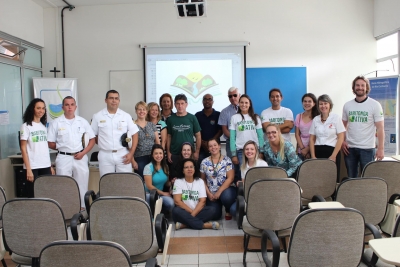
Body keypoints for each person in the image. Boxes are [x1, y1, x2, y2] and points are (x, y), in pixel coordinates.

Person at [48, 96, 95, 209]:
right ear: (62, 107)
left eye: (72, 104)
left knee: (82, 184)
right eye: (67, 105)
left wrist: (83, 153)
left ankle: (83, 208)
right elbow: (50, 142)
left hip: (80, 157)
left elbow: (92, 140)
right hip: (63, 157)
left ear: (75, 106)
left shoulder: (82, 121)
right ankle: (66, 209)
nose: (70, 107)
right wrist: (62, 147)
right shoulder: (56, 123)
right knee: (64, 185)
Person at [342, 76, 384, 177]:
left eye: (362, 85)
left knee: (367, 178)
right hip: (350, 148)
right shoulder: (347, 105)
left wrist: (381, 149)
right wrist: (343, 141)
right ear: (354, 87)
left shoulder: (375, 105)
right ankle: (353, 193)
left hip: (368, 148)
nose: (360, 87)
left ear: (366, 88)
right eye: (357, 85)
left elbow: (380, 128)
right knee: (351, 177)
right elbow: (343, 126)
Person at [91, 90, 139, 178]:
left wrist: (131, 153)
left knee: (125, 182)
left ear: (119, 101)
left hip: (123, 154)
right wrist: (104, 143)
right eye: (111, 98)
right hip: (105, 155)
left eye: (116, 98)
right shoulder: (97, 116)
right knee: (107, 183)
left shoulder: (125, 116)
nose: (114, 101)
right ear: (105, 100)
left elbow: (135, 134)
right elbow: (93, 136)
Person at [20, 98, 54, 198]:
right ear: (32, 109)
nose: (41, 111)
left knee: (45, 193)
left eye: (43, 108)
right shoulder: (26, 126)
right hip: (33, 166)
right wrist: (28, 169)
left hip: (45, 165)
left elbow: (44, 147)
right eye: (38, 108)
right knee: (32, 194)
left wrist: (50, 165)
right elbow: (23, 148)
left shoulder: (43, 127)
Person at [172, 158, 219, 230]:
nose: (189, 169)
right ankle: (204, 225)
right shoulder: (178, 181)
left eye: (191, 167)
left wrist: (192, 214)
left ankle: (184, 225)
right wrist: (192, 213)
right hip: (184, 212)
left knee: (212, 210)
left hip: (198, 211)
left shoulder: (200, 181)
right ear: (183, 170)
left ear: (194, 169)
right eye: (186, 167)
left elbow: (202, 201)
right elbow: (177, 201)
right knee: (176, 211)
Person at [309, 94, 345, 180]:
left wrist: (334, 156)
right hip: (318, 151)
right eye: (321, 104)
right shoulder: (315, 119)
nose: (323, 106)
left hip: (332, 152)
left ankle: (333, 194)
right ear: (318, 106)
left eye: (325, 103)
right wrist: (313, 156)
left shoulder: (336, 118)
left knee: (331, 178)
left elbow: (341, 137)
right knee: (318, 178)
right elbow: (312, 139)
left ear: (330, 105)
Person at [200, 138, 236, 220]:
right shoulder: (204, 162)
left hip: (225, 190)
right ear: (208, 149)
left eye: (215, 145)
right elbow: (202, 180)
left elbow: (231, 178)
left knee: (226, 197)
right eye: (210, 146)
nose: (213, 148)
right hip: (211, 194)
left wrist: (219, 192)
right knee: (215, 214)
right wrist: (208, 194)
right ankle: (218, 206)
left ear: (219, 146)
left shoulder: (227, 160)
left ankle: (228, 209)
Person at [229, 94, 264, 167]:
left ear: (250, 104)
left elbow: (260, 136)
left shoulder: (256, 117)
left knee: (255, 172)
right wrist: (233, 154)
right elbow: (232, 138)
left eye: (246, 103)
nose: (244, 105)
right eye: (241, 102)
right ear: (239, 104)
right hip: (241, 151)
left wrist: (261, 151)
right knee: (243, 174)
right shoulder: (234, 118)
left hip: (255, 150)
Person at [166, 94, 201, 164]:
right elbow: (169, 137)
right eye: (178, 104)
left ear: (186, 104)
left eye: (182, 103)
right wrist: (168, 152)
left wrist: (197, 151)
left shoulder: (192, 118)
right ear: (175, 105)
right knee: (175, 174)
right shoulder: (170, 119)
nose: (180, 106)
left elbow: (198, 135)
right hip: (175, 153)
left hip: (189, 153)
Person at [143, 144, 174, 214]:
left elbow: (165, 183)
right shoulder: (148, 167)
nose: (158, 156)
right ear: (152, 155)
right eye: (156, 153)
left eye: (160, 153)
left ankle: (161, 214)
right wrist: (163, 193)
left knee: (171, 204)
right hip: (149, 194)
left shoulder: (165, 167)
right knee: (150, 200)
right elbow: (149, 186)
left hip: (160, 195)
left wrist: (172, 182)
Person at [218, 87, 240, 183]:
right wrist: (236, 139)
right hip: (230, 143)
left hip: (246, 144)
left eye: (235, 95)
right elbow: (225, 130)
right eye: (230, 96)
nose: (233, 98)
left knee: (244, 167)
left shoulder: (247, 108)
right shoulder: (224, 111)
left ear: (239, 95)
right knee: (233, 166)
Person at [132, 101, 160, 178]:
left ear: (147, 111)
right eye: (139, 109)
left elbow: (157, 142)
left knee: (154, 179)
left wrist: (159, 157)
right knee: (142, 180)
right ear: (136, 111)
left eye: (144, 109)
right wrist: (133, 161)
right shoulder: (132, 125)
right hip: (139, 157)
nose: (142, 111)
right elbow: (129, 146)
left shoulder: (151, 125)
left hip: (153, 157)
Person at [195, 94, 222, 163]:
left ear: (213, 101)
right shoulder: (197, 115)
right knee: (201, 169)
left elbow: (221, 130)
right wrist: (202, 142)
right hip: (201, 148)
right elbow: (195, 131)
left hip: (215, 148)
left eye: (209, 99)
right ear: (202, 101)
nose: (207, 101)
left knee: (217, 168)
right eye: (205, 99)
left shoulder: (218, 115)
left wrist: (211, 142)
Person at [294, 93, 319, 160]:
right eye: (305, 101)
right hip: (301, 150)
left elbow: (317, 135)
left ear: (314, 103)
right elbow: (297, 134)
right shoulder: (298, 116)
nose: (307, 103)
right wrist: (302, 149)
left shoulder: (317, 117)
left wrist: (307, 149)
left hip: (314, 149)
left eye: (309, 101)